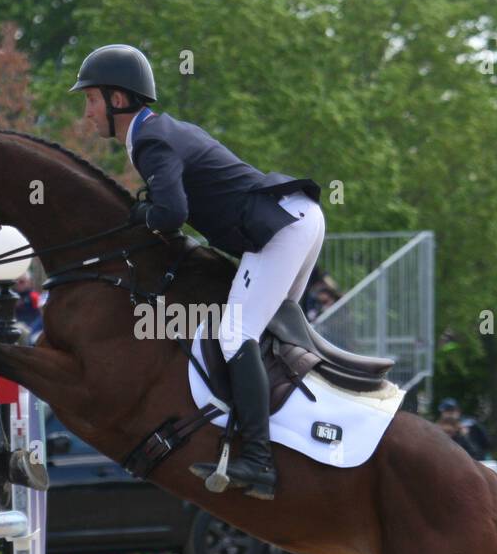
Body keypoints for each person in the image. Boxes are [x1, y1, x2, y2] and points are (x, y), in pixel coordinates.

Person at [72, 43, 323, 501]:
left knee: (235, 334)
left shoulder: (149, 140)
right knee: (271, 336)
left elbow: (170, 213)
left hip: (282, 229)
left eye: (91, 99)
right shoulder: (158, 132)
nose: (87, 113)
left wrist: (138, 215)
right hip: (296, 218)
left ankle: (259, 463)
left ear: (119, 99)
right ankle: (299, 438)